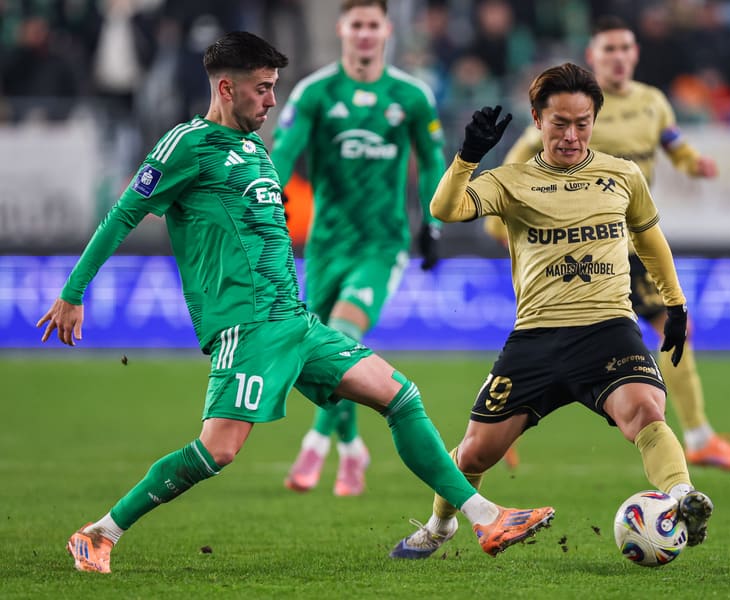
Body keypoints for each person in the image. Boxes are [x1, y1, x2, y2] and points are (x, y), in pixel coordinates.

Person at [38, 31, 554, 574]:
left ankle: (483, 517)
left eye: (274, 87)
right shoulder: (187, 145)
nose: (271, 100)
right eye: (262, 88)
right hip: (248, 328)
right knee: (217, 451)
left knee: (400, 396)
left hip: (295, 321)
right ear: (226, 88)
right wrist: (73, 292)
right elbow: (123, 213)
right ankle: (100, 532)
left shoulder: (254, 150)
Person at [389, 62, 713, 560]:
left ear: (594, 120)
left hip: (608, 329)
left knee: (647, 413)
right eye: (560, 123)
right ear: (538, 119)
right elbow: (444, 209)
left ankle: (682, 498)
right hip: (537, 337)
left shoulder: (622, 175)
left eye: (583, 123)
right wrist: (468, 157)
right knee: (475, 452)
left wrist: (676, 303)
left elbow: (650, 240)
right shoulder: (512, 180)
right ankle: (440, 525)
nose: (571, 135)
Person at [489, 16, 730, 472]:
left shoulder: (653, 103)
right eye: (608, 49)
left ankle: (697, 436)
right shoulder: (575, 111)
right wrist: (504, 228)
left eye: (625, 48)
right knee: (556, 338)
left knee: (664, 332)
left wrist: (696, 164)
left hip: (631, 245)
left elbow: (675, 148)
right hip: (584, 247)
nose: (618, 57)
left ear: (635, 53)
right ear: (592, 55)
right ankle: (696, 436)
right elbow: (514, 170)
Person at [270, 0, 446, 497]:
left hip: (381, 243)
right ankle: (352, 447)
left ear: (386, 30)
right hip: (326, 245)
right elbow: (283, 152)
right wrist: (269, 199)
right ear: (341, 29)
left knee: (343, 331)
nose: (365, 33)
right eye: (357, 25)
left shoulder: (410, 96)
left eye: (373, 25)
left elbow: (432, 161)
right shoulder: (315, 92)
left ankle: (314, 445)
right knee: (322, 355)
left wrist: (432, 222)